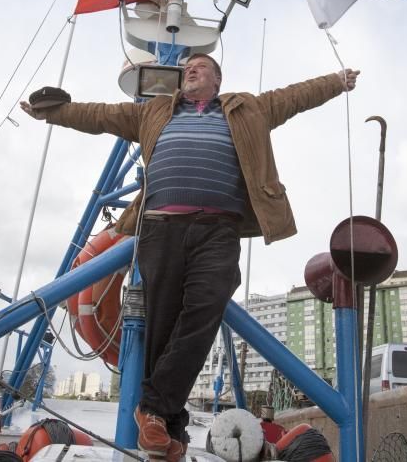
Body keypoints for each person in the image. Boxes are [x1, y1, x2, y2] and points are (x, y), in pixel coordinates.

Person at [21, 55, 359, 461]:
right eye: (186, 68)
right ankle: (169, 430)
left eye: (199, 65)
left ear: (218, 77)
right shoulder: (155, 111)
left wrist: (337, 80)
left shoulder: (249, 107)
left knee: (206, 304)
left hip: (218, 229)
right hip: (161, 227)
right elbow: (100, 115)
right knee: (161, 327)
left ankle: (153, 411)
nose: (190, 71)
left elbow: (297, 96)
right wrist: (54, 112)